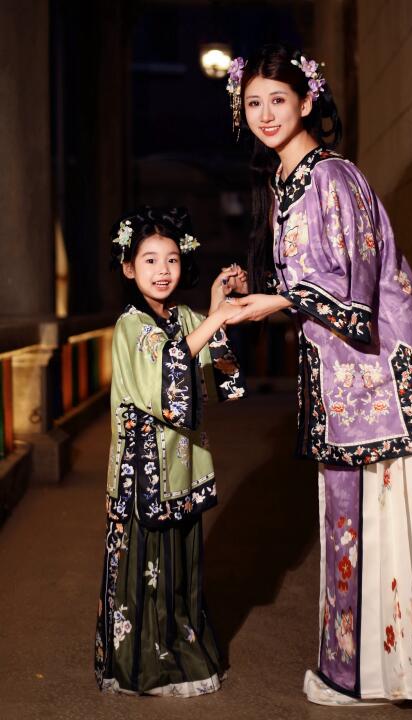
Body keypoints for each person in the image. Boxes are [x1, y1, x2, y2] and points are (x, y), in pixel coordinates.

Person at [224, 45, 412, 706]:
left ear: (307, 102)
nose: (266, 114)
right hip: (352, 385)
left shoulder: (332, 176)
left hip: (391, 383)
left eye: (278, 100)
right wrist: (259, 292)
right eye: (254, 102)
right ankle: (363, 674)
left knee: (394, 530)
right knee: (355, 526)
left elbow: (352, 295)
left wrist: (276, 301)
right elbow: (313, 281)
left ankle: (402, 674)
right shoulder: (288, 183)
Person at [95, 206, 246, 696]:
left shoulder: (185, 317)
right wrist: (215, 317)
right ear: (128, 267)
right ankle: (145, 664)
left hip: (184, 470)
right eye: (150, 260)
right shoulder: (130, 326)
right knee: (147, 570)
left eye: (172, 259)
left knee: (182, 570)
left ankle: (183, 650)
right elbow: (167, 375)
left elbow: (221, 368)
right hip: (144, 475)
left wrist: (218, 304)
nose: (163, 270)